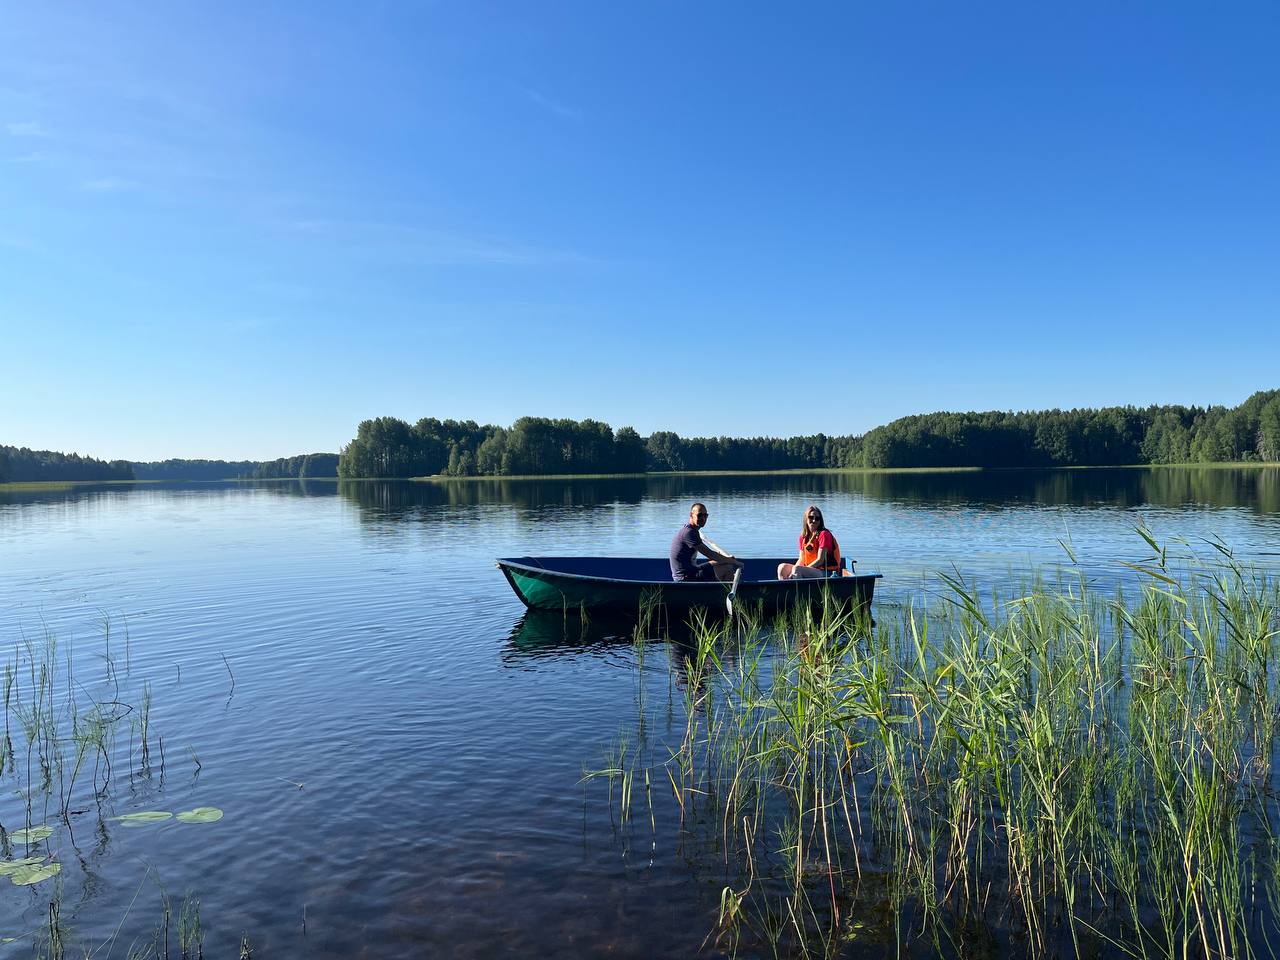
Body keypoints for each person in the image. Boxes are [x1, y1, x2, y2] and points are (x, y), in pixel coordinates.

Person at [669, 502, 743, 582]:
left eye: (705, 515)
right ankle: (728, 590)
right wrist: (733, 561)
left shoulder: (691, 530)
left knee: (721, 562)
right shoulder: (688, 533)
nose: (703, 518)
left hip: (692, 571)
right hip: (685, 578)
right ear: (691, 515)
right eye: (700, 515)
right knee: (726, 566)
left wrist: (725, 558)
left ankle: (726, 584)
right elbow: (709, 554)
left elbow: (712, 555)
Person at [777, 505, 842, 579]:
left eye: (817, 518)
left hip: (828, 572)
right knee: (782, 567)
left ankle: (799, 590)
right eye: (811, 517)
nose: (814, 520)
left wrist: (801, 570)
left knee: (798, 569)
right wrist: (793, 572)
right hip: (812, 570)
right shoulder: (803, 536)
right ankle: (786, 589)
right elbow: (801, 559)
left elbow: (820, 560)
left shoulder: (824, 534)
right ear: (806, 519)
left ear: (820, 521)